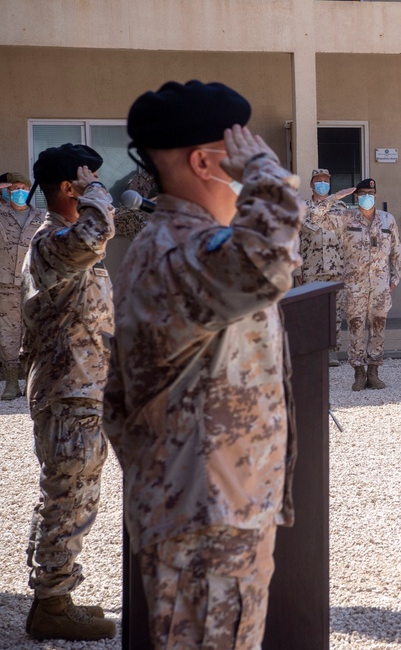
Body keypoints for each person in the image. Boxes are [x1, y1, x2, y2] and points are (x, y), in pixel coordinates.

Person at [104, 80, 304, 649]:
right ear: (204, 162)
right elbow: (267, 260)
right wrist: (266, 173)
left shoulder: (191, 245)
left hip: (212, 508)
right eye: (239, 151)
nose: (250, 162)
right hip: (205, 520)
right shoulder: (178, 250)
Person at [19, 145, 116, 641]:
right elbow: (95, 232)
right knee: (67, 495)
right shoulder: (54, 241)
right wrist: (97, 193)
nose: (97, 185)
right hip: (67, 390)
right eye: (87, 178)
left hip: (80, 388)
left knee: (68, 494)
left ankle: (54, 595)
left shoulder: (62, 240)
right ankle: (51, 606)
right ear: (68, 188)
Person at [317, 178, 401, 391]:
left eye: (371, 193)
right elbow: (316, 216)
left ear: (375, 195)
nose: (367, 197)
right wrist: (335, 197)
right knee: (356, 328)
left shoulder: (387, 220)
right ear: (356, 196)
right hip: (354, 285)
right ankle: (358, 372)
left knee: (378, 328)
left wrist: (394, 280)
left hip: (380, 286)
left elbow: (396, 252)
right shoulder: (346, 218)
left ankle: (374, 371)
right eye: (363, 193)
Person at [0, 170, 45, 400]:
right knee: (8, 333)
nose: (17, 192)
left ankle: (31, 382)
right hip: (5, 285)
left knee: (35, 332)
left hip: (34, 285)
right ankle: (10, 383)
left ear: (29, 190)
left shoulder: (42, 218)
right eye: (12, 188)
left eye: (21, 187)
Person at [299, 167, 350, 366]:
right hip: (310, 269)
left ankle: (331, 351)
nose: (322, 184)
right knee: (310, 311)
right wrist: (296, 270)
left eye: (326, 181)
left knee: (334, 312)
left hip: (335, 267)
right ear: (311, 184)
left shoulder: (341, 208)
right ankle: (313, 351)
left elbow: (346, 240)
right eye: (318, 181)